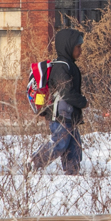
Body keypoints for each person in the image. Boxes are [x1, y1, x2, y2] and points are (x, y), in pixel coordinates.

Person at [30, 29, 88, 175]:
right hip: (61, 115)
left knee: (74, 148)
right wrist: (82, 102)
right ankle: (34, 162)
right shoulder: (62, 66)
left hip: (70, 116)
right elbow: (66, 92)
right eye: (78, 47)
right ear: (68, 46)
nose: (80, 50)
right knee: (59, 144)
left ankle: (72, 176)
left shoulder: (69, 64)